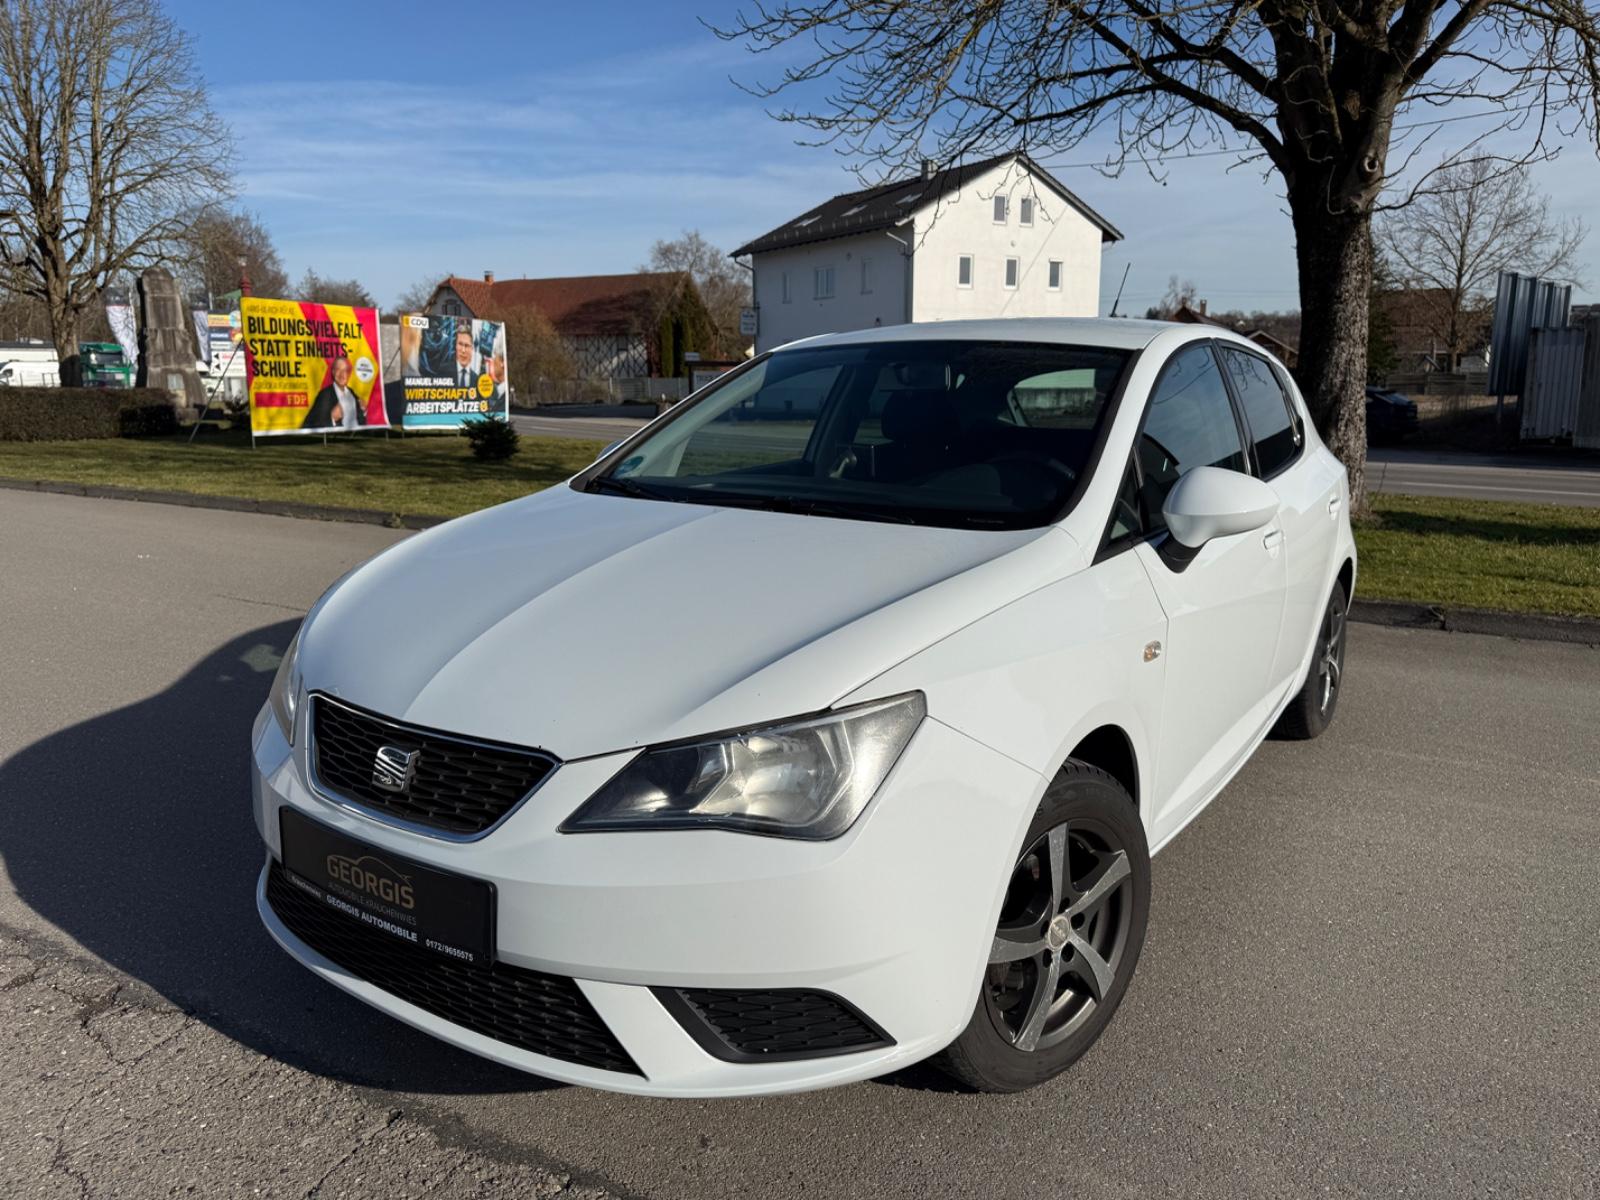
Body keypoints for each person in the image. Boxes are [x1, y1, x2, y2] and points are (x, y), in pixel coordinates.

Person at [303, 356, 366, 429]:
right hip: (337, 436)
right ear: (333, 372)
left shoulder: (352, 393)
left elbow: (360, 421)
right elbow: (308, 425)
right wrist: (332, 418)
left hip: (356, 435)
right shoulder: (324, 395)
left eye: (344, 370)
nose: (342, 374)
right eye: (338, 369)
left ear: (348, 374)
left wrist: (363, 411)